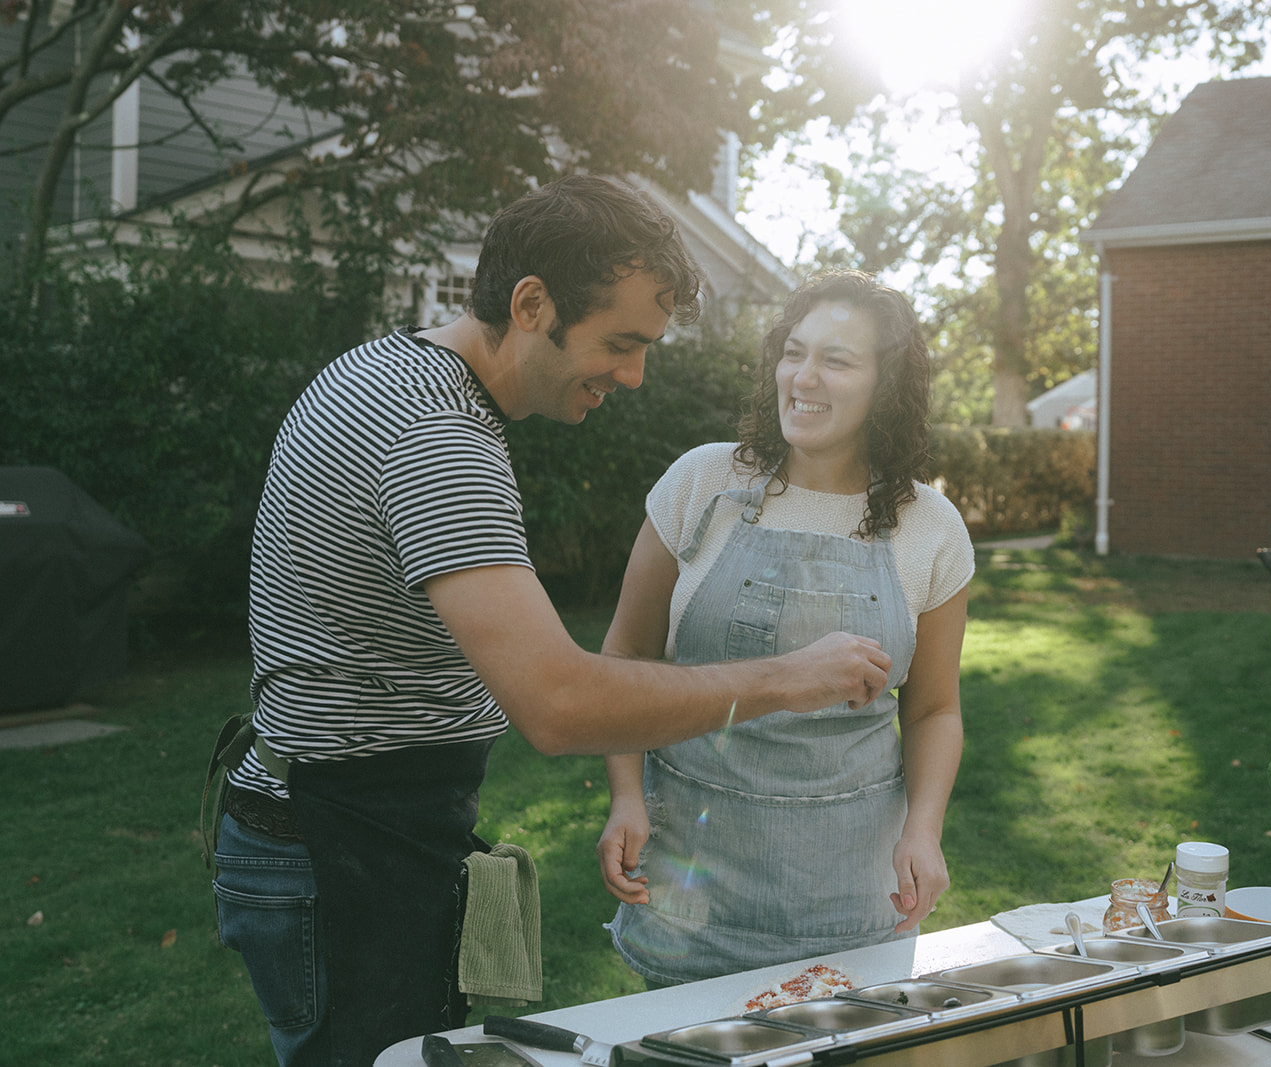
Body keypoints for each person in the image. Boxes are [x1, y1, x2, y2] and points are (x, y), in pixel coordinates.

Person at [208, 176, 892, 1067]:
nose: (635, 375)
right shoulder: (435, 433)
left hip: (350, 823)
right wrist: (785, 679)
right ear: (532, 304)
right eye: (620, 342)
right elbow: (559, 703)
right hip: (341, 851)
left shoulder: (392, 372)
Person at [596, 270, 973, 986]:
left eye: (836, 359)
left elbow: (933, 707)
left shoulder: (930, 527)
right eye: (793, 351)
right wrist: (626, 794)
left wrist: (923, 827)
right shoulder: (701, 485)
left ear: (884, 384)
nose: (803, 376)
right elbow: (625, 657)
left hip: (852, 892)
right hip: (690, 881)